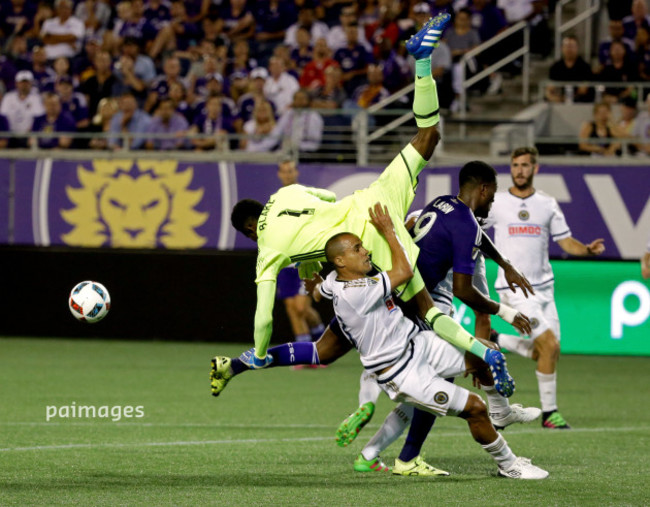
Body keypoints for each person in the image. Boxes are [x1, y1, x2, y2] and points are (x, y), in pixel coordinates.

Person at [212, 14, 515, 402]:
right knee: (428, 135)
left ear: (250, 231)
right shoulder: (284, 195)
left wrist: (256, 354)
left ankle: (483, 352)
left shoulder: (267, 249)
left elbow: (264, 317)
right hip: (372, 197)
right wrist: (312, 268)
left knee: (426, 310)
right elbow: (324, 199)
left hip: (367, 239)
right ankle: (422, 61)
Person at [337, 161, 541, 473]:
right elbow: (464, 290)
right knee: (434, 387)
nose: (493, 200)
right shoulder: (466, 228)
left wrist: (504, 262)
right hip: (422, 310)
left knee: (426, 386)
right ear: (483, 189)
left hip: (398, 300)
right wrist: (507, 311)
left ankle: (371, 451)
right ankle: (407, 458)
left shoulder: (441, 203)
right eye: (493, 194)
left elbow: (473, 232)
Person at [486, 146, 606, 429]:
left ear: (535, 169)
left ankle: (499, 340)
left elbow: (565, 241)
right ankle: (549, 413)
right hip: (514, 289)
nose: (519, 170)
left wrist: (587, 250)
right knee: (549, 343)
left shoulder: (547, 204)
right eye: (515, 165)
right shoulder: (497, 203)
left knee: (548, 352)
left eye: (525, 165)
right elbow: (474, 227)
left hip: (544, 289)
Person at [274, 159, 325, 366]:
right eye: (284, 171)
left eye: (290, 170)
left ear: (296, 172)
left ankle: (322, 343)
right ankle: (304, 356)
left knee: (303, 309)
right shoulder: (276, 201)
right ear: (280, 174)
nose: (287, 174)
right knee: (292, 309)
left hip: (305, 260)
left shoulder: (306, 197)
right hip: (285, 262)